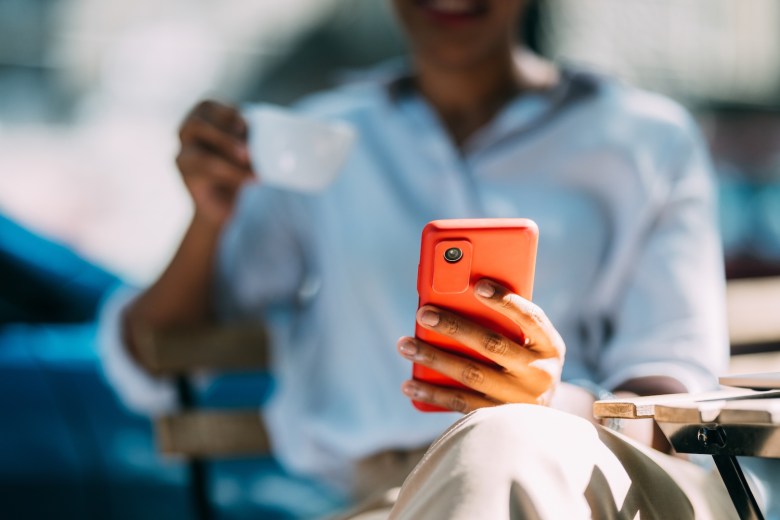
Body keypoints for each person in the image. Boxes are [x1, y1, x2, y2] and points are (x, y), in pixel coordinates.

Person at [99, 0, 744, 517]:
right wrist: (210, 220)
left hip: (604, 483)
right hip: (393, 500)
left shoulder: (646, 140)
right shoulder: (326, 141)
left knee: (504, 444)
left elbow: (672, 385)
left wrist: (547, 404)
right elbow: (154, 363)